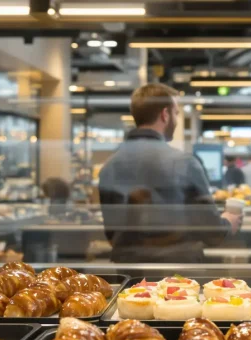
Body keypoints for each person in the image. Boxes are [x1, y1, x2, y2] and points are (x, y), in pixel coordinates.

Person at [98, 83, 242, 263]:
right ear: (165, 115)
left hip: (130, 272)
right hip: (177, 272)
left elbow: (112, 234)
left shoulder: (109, 167)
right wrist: (228, 222)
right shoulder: (185, 163)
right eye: (176, 113)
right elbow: (212, 233)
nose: (176, 119)